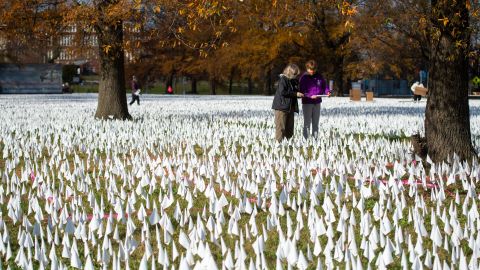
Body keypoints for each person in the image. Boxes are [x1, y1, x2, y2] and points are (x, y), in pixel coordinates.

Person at [272, 64, 304, 142]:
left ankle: (288, 144)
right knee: (281, 128)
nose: (296, 76)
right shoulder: (283, 79)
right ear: (289, 72)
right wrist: (295, 94)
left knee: (290, 128)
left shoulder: (293, 81)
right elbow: (282, 92)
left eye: (297, 74)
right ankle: (278, 144)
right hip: (281, 107)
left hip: (290, 107)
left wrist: (300, 94)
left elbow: (295, 92)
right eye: (294, 74)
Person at [299, 60, 330, 139]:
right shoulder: (303, 78)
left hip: (317, 102)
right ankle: (306, 140)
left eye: (314, 70)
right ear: (307, 68)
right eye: (310, 70)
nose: (312, 71)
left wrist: (327, 92)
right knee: (307, 123)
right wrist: (310, 96)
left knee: (315, 122)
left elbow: (324, 86)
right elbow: (302, 91)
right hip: (307, 103)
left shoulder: (319, 76)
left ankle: (315, 140)